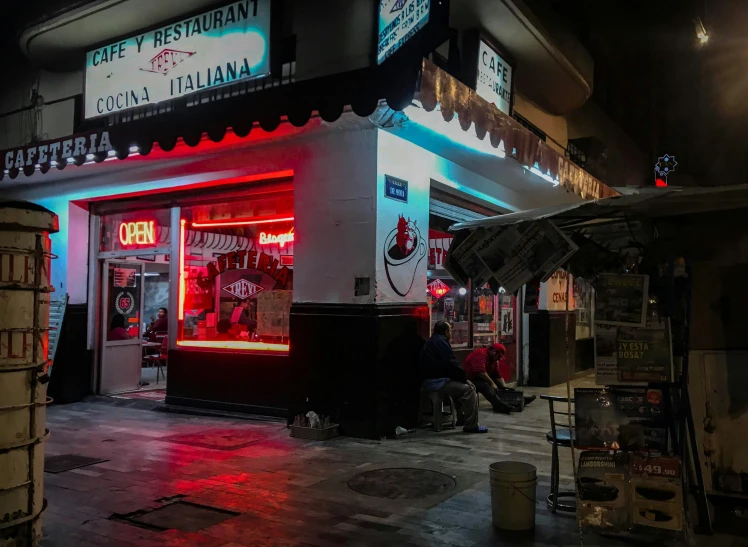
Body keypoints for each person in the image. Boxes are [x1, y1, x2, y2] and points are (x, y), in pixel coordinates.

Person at [420, 321, 488, 434]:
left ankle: (462, 419)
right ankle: (471, 425)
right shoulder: (441, 342)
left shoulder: (432, 341)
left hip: (433, 379)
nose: (451, 333)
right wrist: (464, 378)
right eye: (450, 331)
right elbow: (451, 364)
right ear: (446, 332)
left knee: (459, 386)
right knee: (469, 389)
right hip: (436, 382)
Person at [463, 343, 536, 412]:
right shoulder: (480, 354)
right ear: (494, 352)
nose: (499, 359)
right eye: (499, 356)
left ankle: (519, 400)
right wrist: (492, 383)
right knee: (486, 386)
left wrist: (505, 389)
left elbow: (497, 375)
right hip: (471, 379)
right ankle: (501, 407)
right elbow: (480, 372)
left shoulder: (493, 360)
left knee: (499, 386)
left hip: (481, 377)